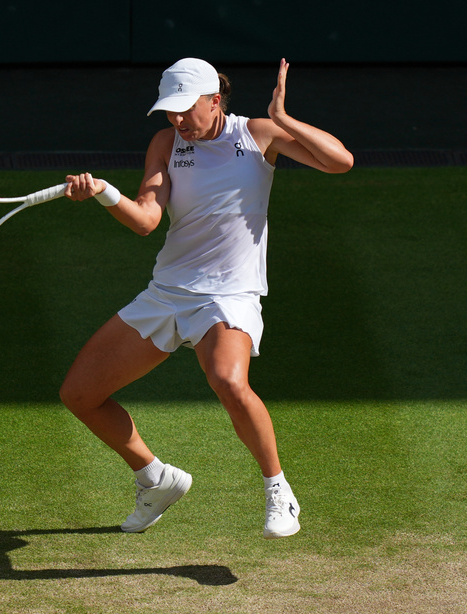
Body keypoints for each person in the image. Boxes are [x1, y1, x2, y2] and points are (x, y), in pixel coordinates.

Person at [59, 58, 353, 539]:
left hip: (230, 293)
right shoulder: (166, 144)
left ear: (214, 100)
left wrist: (282, 119)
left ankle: (278, 490)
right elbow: (146, 220)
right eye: (168, 112)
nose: (176, 121)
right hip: (169, 292)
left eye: (185, 109)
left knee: (229, 381)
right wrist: (104, 192)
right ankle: (156, 479)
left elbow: (341, 162)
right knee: (79, 394)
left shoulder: (256, 134)